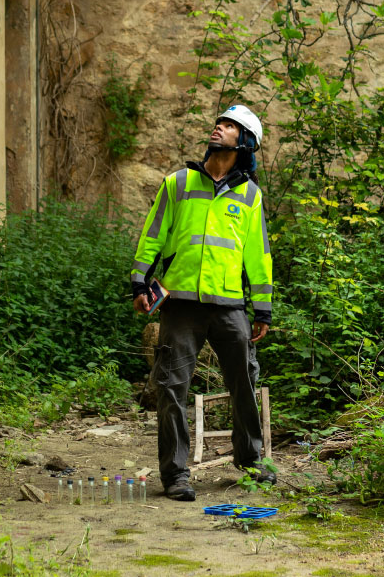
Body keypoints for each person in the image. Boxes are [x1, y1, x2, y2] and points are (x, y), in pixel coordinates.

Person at [131, 104, 275, 501]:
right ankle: (176, 475)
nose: (219, 128)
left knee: (244, 383)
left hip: (230, 307)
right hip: (181, 306)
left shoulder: (250, 196)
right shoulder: (178, 183)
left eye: (230, 126)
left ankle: (250, 461)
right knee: (171, 387)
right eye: (220, 122)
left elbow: (258, 257)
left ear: (244, 142)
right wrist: (139, 283)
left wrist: (262, 309)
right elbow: (152, 235)